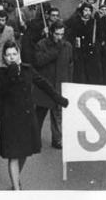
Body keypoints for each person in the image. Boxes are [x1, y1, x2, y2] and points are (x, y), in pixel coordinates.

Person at [0, 42, 69, 190]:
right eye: (8, 55)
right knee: (13, 154)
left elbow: (44, 84)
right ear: (4, 57)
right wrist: (12, 75)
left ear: (19, 54)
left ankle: (16, 178)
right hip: (10, 120)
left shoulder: (27, 70)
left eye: (14, 54)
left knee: (24, 153)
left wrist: (59, 99)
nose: (11, 57)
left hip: (27, 117)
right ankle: (16, 189)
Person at [30, 21, 73, 149]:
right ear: (51, 32)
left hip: (59, 85)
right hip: (45, 86)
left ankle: (57, 139)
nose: (59, 37)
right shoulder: (42, 44)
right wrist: (55, 51)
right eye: (56, 34)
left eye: (62, 34)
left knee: (57, 115)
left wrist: (68, 84)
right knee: (39, 115)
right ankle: (34, 139)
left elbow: (70, 66)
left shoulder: (68, 46)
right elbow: (38, 61)